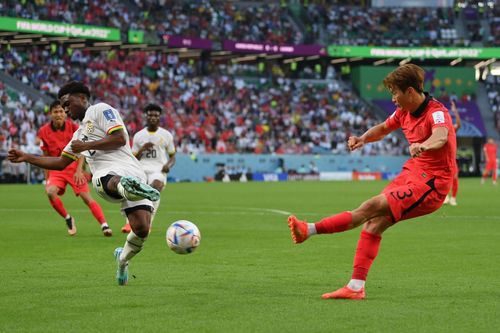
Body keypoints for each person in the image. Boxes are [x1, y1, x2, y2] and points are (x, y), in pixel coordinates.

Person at [288, 64, 456, 300]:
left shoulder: (437, 112)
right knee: (373, 223)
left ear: (409, 91)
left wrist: (423, 145)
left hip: (432, 184)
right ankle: (356, 287)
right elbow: (383, 128)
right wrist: (363, 139)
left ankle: (310, 230)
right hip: (411, 174)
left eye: (395, 92)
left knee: (370, 207)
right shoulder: (403, 112)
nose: (393, 98)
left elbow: (440, 136)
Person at [8, 81, 160, 286]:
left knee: (141, 228)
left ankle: (122, 260)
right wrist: (27, 157)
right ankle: (128, 188)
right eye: (62, 106)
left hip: (132, 170)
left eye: (68, 103)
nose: (65, 109)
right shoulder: (77, 136)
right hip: (105, 176)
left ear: (82, 98)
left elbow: (120, 138)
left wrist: (86, 145)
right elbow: (60, 163)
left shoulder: (101, 110)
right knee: (109, 179)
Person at [38, 100, 111, 236]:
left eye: (61, 111)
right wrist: (47, 179)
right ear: (51, 114)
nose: (59, 114)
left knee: (86, 197)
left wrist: (79, 170)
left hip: (73, 168)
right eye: (55, 112)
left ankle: (104, 225)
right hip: (57, 170)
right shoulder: (43, 131)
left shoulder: (74, 127)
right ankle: (68, 218)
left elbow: (82, 150)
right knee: (50, 192)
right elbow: (45, 156)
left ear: (65, 114)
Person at [121, 103, 176, 233]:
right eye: (150, 115)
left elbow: (173, 156)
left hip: (159, 170)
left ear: (160, 117)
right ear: (146, 116)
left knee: (154, 189)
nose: (153, 117)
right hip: (141, 169)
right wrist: (142, 149)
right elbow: (133, 158)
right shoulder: (139, 135)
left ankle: (148, 221)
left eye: (156, 115)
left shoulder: (166, 135)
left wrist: (168, 165)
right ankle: (129, 223)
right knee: (133, 191)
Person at [443, 100, 461, 206]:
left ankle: (453, 198)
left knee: (454, 177)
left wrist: (455, 111)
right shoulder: (437, 129)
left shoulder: (451, 129)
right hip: (441, 159)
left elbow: (458, 124)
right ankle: (445, 196)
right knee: (443, 179)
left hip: (451, 158)